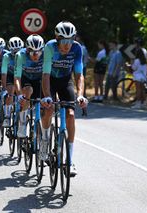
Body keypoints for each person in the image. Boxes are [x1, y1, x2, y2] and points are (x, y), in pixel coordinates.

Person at [41, 21, 88, 176]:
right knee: (49, 110)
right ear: (57, 38)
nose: (67, 45)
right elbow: (46, 75)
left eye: (70, 40)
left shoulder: (77, 48)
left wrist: (80, 94)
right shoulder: (50, 47)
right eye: (64, 41)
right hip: (50, 81)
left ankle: (70, 160)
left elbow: (79, 74)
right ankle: (45, 141)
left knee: (71, 115)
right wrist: (47, 96)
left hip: (66, 82)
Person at [14, 34, 44, 139]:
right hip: (25, 79)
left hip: (39, 80)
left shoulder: (46, 54)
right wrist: (19, 95)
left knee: (44, 102)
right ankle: (22, 125)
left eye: (38, 52)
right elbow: (17, 78)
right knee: (28, 91)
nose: (36, 55)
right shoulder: (20, 55)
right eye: (32, 52)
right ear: (27, 50)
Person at [1, 36, 24, 127]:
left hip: (22, 76)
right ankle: (7, 116)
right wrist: (4, 88)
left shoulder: (24, 55)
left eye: (18, 50)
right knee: (10, 92)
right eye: (14, 52)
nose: (16, 54)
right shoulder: (6, 57)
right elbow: (4, 74)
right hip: (10, 76)